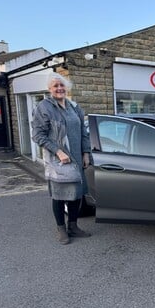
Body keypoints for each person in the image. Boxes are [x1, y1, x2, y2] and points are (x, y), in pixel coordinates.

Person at [32, 72, 91, 245]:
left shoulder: (74, 107)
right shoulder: (44, 107)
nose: (59, 88)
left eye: (61, 85)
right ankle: (61, 229)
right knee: (59, 196)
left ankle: (73, 226)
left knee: (76, 194)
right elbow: (38, 135)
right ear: (50, 89)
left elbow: (83, 132)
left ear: (66, 87)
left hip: (77, 159)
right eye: (55, 86)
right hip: (58, 161)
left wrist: (86, 152)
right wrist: (58, 151)